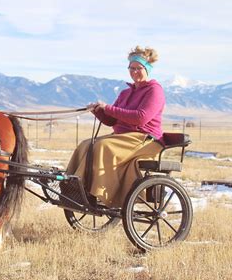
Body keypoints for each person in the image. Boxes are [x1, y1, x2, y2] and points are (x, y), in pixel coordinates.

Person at [66, 46, 165, 208]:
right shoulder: (125, 93)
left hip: (146, 140)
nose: (134, 72)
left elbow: (140, 118)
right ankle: (75, 188)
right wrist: (98, 111)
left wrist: (107, 107)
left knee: (103, 146)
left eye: (138, 68)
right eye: (131, 68)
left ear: (147, 68)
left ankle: (99, 192)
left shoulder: (155, 91)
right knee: (86, 144)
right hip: (124, 138)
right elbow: (112, 120)